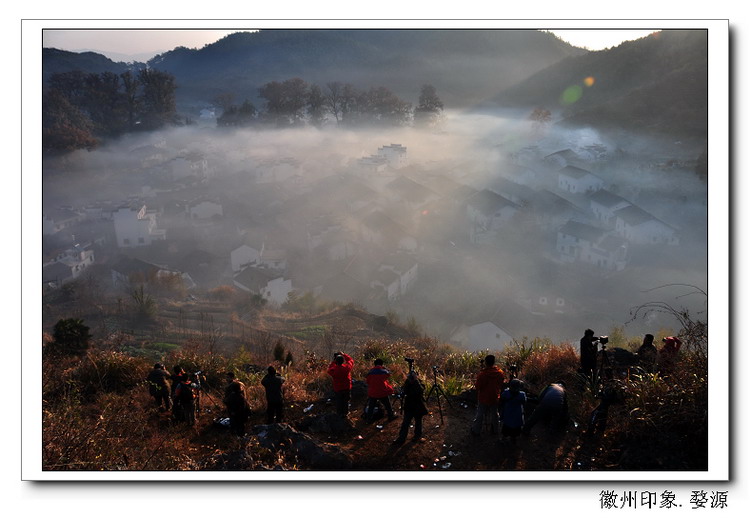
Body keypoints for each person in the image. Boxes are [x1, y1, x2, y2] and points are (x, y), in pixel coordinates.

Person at [470, 355, 505, 436]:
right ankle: (496, 430)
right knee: (495, 414)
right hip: (495, 397)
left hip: (483, 398)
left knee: (480, 414)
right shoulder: (499, 373)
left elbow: (478, 387)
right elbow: (501, 384)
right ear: (493, 362)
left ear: (485, 363)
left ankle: (476, 430)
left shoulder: (482, 375)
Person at [393, 370, 429, 444]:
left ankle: (417, 436)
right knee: (406, 422)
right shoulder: (408, 383)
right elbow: (404, 392)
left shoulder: (419, 383)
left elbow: (420, 391)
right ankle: (401, 438)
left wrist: (415, 381)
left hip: (418, 405)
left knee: (418, 422)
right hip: (409, 405)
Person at [327, 351, 354, 417]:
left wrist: (334, 361)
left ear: (336, 362)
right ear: (343, 361)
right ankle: (346, 413)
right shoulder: (347, 368)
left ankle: (339, 414)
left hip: (338, 389)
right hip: (347, 387)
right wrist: (344, 354)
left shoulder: (334, 370)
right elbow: (351, 360)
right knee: (346, 401)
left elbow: (329, 369)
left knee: (339, 401)